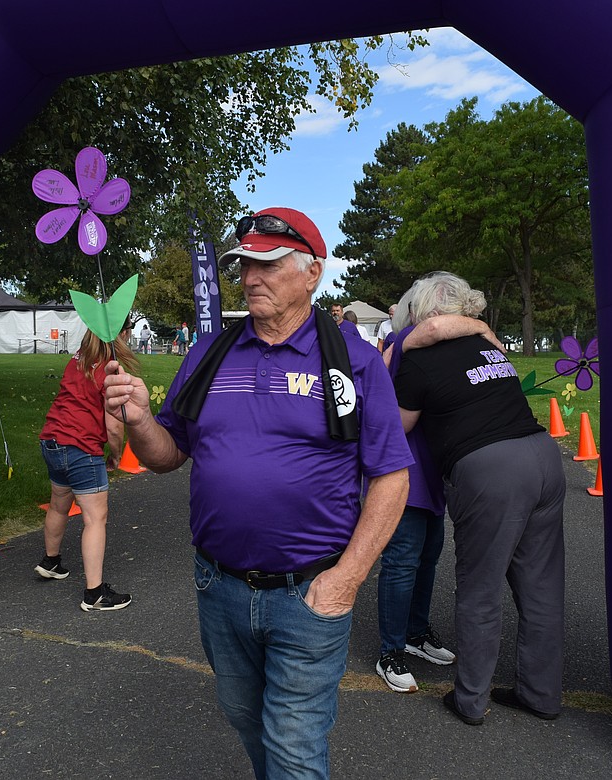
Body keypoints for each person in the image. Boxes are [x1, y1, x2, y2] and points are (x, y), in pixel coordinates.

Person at [104, 207, 410, 779]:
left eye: (268, 264)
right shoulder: (209, 353)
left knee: (294, 745)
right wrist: (142, 421)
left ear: (313, 272)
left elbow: (392, 476)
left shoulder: (354, 363)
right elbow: (169, 454)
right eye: (244, 264)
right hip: (219, 587)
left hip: (311, 593)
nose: (250, 278)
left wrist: (347, 579)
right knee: (245, 717)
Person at [393, 271, 566, 725]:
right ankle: (541, 694)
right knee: (541, 589)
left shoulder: (419, 359)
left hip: (491, 469)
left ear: (422, 312)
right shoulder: (488, 344)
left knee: (480, 589)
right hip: (543, 457)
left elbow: (398, 426)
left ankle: (470, 700)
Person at [373, 296, 501, 693]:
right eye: (459, 309)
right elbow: (429, 329)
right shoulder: (412, 335)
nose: (465, 317)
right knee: (401, 561)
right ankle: (390, 651)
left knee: (428, 556)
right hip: (404, 471)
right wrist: (481, 328)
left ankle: (415, 633)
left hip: (433, 471)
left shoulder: (442, 348)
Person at [36, 321, 138, 611]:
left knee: (58, 504)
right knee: (95, 519)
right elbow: (115, 424)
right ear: (121, 333)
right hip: (82, 447)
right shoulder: (110, 369)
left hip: (52, 440)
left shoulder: (77, 359)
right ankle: (94, 594)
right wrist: (116, 455)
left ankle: (51, 561)